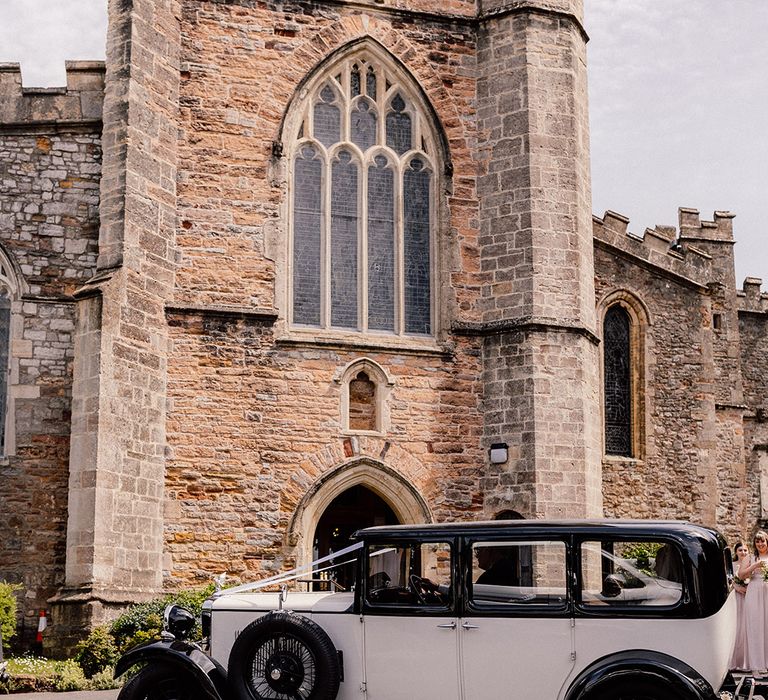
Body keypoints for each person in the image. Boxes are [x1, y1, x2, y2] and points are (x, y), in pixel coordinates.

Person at [739, 531, 768, 674]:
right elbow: (741, 574)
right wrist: (754, 566)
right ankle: (756, 664)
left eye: (762, 541)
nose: (760, 544)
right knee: (755, 625)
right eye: (757, 542)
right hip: (755, 590)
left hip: (767, 591)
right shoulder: (750, 557)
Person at [731, 542, 750, 671]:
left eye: (745, 550)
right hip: (736, 597)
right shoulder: (732, 565)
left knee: (746, 627)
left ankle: (745, 662)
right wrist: (737, 587)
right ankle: (733, 661)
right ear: (736, 552)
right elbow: (728, 580)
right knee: (735, 627)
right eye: (740, 550)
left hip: (748, 597)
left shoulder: (750, 565)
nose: (743, 553)